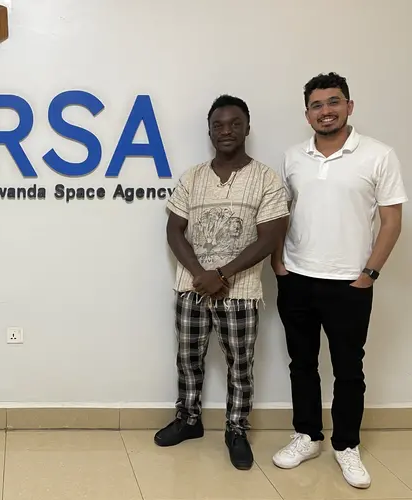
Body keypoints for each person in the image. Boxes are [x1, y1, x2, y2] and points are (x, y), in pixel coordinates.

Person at [271, 73, 406, 489]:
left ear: (349, 106)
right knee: (302, 364)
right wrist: (278, 262)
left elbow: (391, 221)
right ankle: (308, 435)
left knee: (349, 370)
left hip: (349, 283)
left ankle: (346, 445)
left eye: (333, 102)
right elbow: (281, 213)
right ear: (307, 113)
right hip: (296, 278)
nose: (325, 110)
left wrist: (369, 274)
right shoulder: (293, 156)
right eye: (316, 105)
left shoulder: (379, 155)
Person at [154, 95, 289, 470]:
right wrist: (201, 274)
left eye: (234, 124)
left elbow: (270, 236)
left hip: (241, 293)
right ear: (209, 130)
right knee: (188, 360)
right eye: (218, 125)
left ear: (247, 127)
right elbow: (174, 229)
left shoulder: (265, 179)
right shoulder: (193, 177)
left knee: (240, 365)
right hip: (192, 289)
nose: (226, 131)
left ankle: (236, 429)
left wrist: (223, 274)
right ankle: (189, 420)